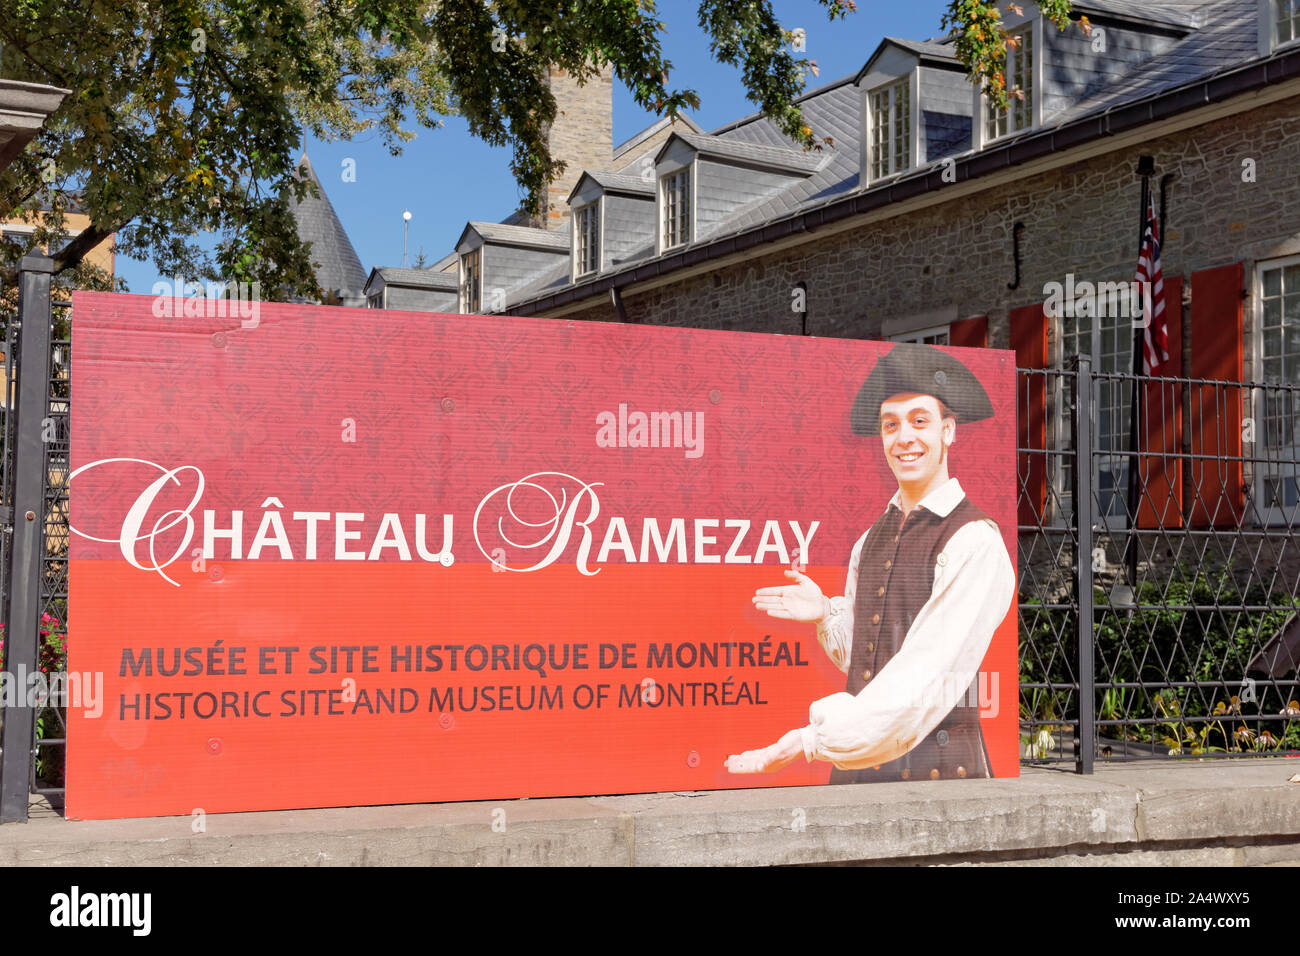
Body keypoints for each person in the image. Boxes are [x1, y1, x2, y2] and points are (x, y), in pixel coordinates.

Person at [725, 342, 1015, 783]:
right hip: (859, 771)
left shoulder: (975, 542)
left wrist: (808, 742)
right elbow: (864, 663)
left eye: (920, 421)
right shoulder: (871, 539)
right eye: (890, 425)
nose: (905, 438)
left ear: (949, 431)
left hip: (936, 777)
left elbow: (925, 675)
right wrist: (826, 613)